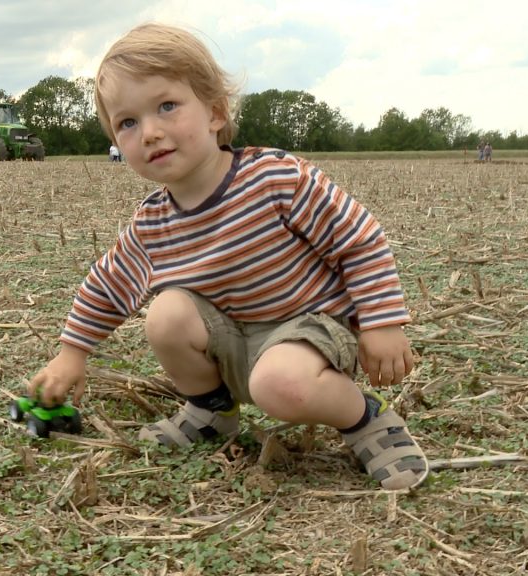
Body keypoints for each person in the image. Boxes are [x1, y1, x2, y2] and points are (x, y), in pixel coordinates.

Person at [27, 23, 427, 491]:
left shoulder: (274, 179)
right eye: (128, 122)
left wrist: (381, 324)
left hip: (310, 333)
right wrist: (71, 354)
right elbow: (108, 285)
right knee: (166, 314)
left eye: (167, 106)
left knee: (280, 384)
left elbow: (358, 240)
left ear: (215, 112)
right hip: (235, 341)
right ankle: (213, 412)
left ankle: (366, 421)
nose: (150, 132)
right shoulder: (153, 222)